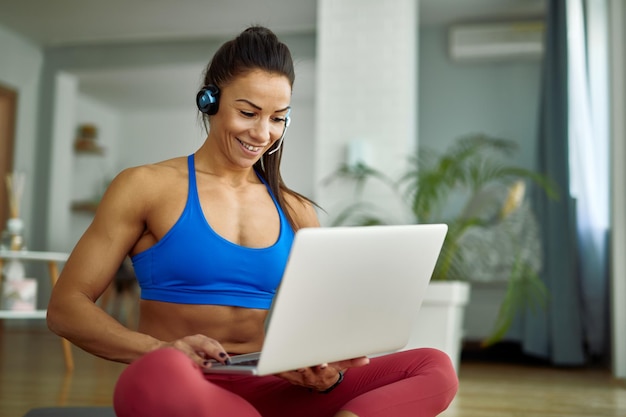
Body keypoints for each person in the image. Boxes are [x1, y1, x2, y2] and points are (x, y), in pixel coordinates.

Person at [47, 26, 458, 417]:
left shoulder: (295, 210)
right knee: (157, 374)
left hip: (269, 387)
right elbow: (66, 308)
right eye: (249, 112)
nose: (263, 133)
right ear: (210, 101)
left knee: (433, 366)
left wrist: (321, 371)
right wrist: (158, 349)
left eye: (278, 117)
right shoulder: (145, 185)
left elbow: (318, 331)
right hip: (180, 383)